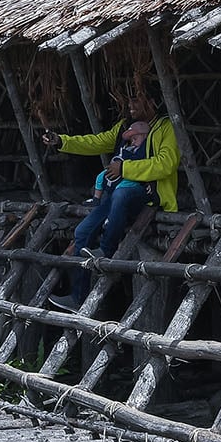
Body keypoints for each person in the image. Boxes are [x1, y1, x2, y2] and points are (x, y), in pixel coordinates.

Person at [42, 91, 179, 306]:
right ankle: (78, 298)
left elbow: (166, 164)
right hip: (116, 195)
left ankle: (106, 249)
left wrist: (124, 168)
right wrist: (62, 141)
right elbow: (96, 142)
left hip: (149, 197)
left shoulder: (165, 128)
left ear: (152, 101)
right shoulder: (124, 128)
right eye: (129, 99)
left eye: (136, 99)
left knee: (123, 194)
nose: (130, 104)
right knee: (82, 231)